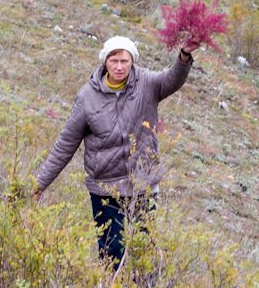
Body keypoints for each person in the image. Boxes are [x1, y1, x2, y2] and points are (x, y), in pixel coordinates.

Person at [34, 34, 195, 266]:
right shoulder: (87, 97)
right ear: (104, 62)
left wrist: (184, 56)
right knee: (112, 254)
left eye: (124, 61)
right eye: (113, 60)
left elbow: (172, 80)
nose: (119, 67)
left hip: (143, 186)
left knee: (143, 254)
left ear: (133, 62)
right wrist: (40, 184)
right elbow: (66, 144)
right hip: (105, 190)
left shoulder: (148, 83)